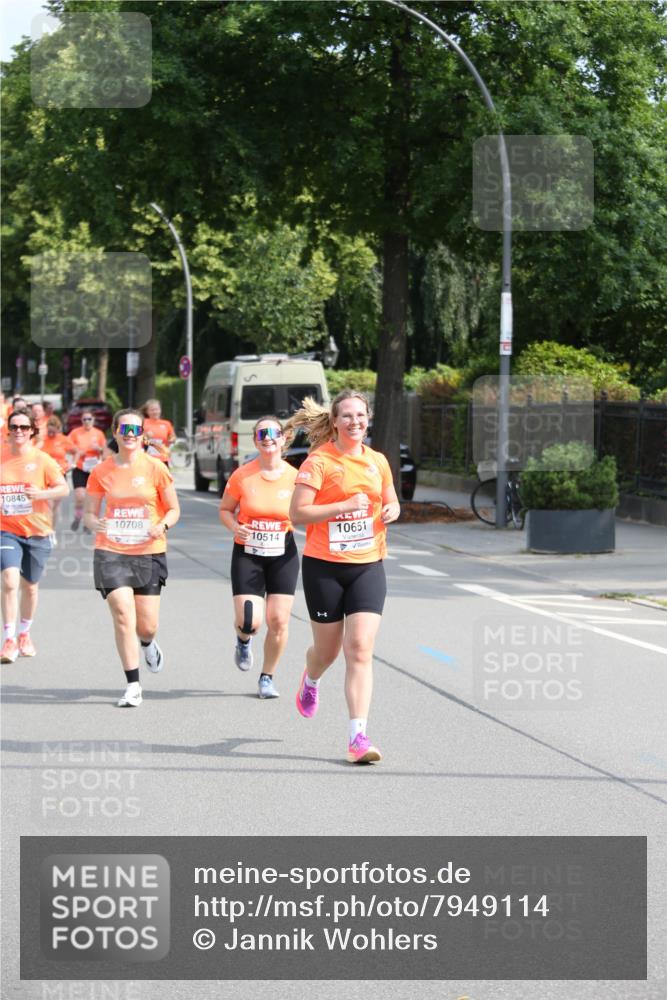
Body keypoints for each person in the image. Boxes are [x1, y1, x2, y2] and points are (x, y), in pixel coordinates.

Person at [288, 391, 400, 764]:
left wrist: (391, 509)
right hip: (325, 567)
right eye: (347, 416)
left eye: (361, 415)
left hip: (368, 564)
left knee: (360, 650)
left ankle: (357, 737)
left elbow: (390, 498)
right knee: (328, 652)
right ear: (335, 421)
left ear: (369, 420)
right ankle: (311, 677)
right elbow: (298, 514)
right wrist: (343, 506)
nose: (355, 421)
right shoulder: (318, 462)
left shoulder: (378, 461)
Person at [84, 408, 180, 707]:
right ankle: (133, 684)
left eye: (135, 430)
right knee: (123, 613)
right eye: (124, 429)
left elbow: (174, 510)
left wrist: (161, 525)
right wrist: (93, 522)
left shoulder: (156, 468)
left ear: (142, 435)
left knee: (147, 625)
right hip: (111, 549)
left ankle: (149, 643)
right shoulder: (101, 471)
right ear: (114, 432)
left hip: (148, 551)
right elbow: (89, 512)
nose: (129, 435)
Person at [219, 417, 299, 699]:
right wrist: (235, 526)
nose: (268, 438)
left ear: (283, 439)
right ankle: (243, 640)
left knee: (278, 621)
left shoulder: (295, 476)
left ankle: (267, 677)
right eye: (262, 434)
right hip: (248, 552)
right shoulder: (243, 475)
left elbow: (307, 509)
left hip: (282, 552)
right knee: (249, 622)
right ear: (255, 440)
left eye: (273, 433)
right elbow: (226, 510)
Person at [0, 410, 69, 662]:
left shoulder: (43, 460)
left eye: (23, 427)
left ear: (31, 431)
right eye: (14, 427)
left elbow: (63, 488)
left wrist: (40, 495)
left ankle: (24, 634)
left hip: (38, 531)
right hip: (6, 530)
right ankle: (8, 640)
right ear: (9, 429)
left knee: (30, 586)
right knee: (9, 580)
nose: (19, 431)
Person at [66, 410, 106, 531]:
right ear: (81, 421)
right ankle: (78, 517)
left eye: (89, 419)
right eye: (84, 419)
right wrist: (76, 451)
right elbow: (67, 447)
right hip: (80, 467)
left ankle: (89, 523)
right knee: (80, 496)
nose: (87, 422)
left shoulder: (99, 434)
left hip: (93, 469)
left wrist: (99, 449)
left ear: (93, 420)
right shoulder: (75, 433)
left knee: (92, 497)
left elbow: (105, 451)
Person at [41, 415, 72, 532]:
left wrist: (71, 463)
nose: (51, 434)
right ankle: (47, 529)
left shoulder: (63, 440)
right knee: (48, 503)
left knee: (55, 505)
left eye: (53, 432)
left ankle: (52, 530)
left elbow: (76, 451)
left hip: (59, 474)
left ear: (58, 429)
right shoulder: (42, 440)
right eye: (49, 431)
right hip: (44, 475)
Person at [141, 399, 176, 466]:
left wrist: (172, 439)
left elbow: (173, 437)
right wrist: (145, 436)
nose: (155, 412)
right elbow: (135, 438)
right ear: (147, 411)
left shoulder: (166, 423)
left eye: (157, 409)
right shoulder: (142, 422)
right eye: (152, 410)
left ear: (160, 410)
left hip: (163, 459)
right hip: (147, 459)